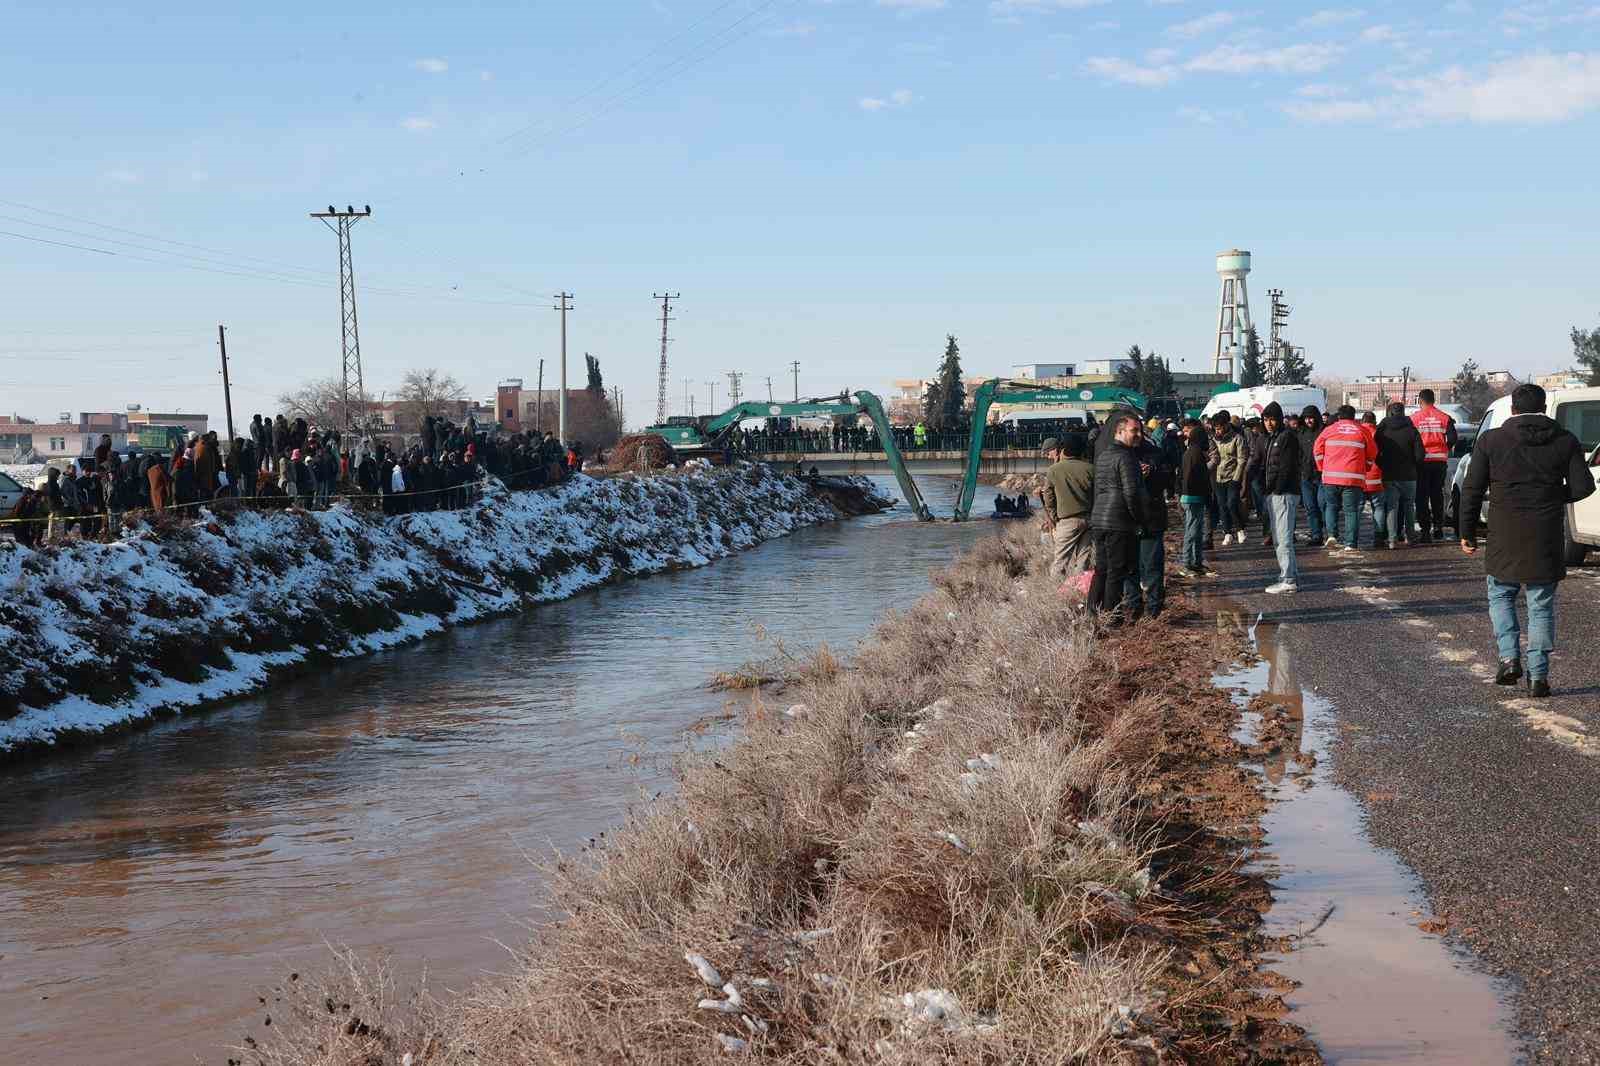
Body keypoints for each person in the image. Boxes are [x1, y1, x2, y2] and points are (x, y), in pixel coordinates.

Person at [1461, 384, 1595, 697]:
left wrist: (1467, 532)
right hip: (1546, 534)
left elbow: (1472, 490)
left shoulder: (1491, 441)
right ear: (1545, 408)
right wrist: (1550, 495)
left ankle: (1509, 658)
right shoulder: (1564, 440)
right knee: (1541, 605)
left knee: (1501, 595)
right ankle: (1538, 677)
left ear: (1513, 409)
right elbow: (1583, 486)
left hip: (1503, 534)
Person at [1088, 413, 1149, 623]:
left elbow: (1098, 489)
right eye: (1135, 431)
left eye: (1140, 430)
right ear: (1120, 431)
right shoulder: (1127, 457)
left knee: (1101, 569)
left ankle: (1092, 613)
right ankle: (1111, 618)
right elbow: (1131, 493)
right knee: (1116, 571)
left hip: (1099, 519)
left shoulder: (1104, 455)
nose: (1139, 435)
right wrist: (1139, 520)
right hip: (1118, 520)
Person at [1313, 405, 1376, 554]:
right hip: (1353, 478)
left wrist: (1323, 467)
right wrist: (1365, 467)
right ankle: (1351, 543)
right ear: (1354, 417)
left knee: (1331, 506)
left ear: (1339, 416)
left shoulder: (1329, 430)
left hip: (1330, 476)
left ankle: (1332, 535)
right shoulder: (1362, 431)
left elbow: (1317, 449)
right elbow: (1372, 452)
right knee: (1351, 511)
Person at [1127, 426, 1172, 619]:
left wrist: (1151, 472)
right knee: (1129, 566)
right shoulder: (1118, 454)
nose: (1134, 435)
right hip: (1126, 519)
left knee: (1152, 565)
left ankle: (1153, 608)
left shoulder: (1155, 453)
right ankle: (1133, 606)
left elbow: (1168, 478)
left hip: (1152, 517)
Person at [1260, 402, 1302, 594]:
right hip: (1275, 493)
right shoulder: (1272, 438)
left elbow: (1286, 467)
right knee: (1279, 537)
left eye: (1272, 419)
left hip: (1284, 493)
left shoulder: (1286, 438)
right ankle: (1288, 575)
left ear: (1279, 419)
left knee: (1283, 537)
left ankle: (1288, 578)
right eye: (1266, 419)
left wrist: (1276, 489)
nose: (1269, 423)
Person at [1040, 434, 1094, 578]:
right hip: (1089, 520)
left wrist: (1053, 516)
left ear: (1063, 450)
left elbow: (1048, 496)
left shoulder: (1054, 470)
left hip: (1067, 521)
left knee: (1060, 562)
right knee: (1083, 561)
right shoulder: (1091, 468)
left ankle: (1055, 595)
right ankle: (1078, 593)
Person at [1411, 388, 1458, 542]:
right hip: (1439, 462)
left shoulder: (1414, 419)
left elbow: (1410, 440)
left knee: (1421, 496)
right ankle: (1438, 528)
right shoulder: (1445, 418)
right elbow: (1452, 438)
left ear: (1420, 401)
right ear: (1433, 400)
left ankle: (1425, 531)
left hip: (1422, 462)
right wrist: (1444, 448)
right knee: (1437, 494)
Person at [1376, 402, 1424, 549]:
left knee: (1391, 506)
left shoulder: (1382, 431)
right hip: (1409, 475)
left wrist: (1383, 465)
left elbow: (1375, 452)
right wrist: (1412, 465)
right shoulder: (1412, 430)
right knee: (1409, 506)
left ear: (1389, 413)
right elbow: (1420, 455)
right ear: (1403, 413)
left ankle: (1392, 539)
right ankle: (1410, 536)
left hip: (1389, 474)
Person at [1179, 420, 1212, 577]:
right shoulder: (1195, 453)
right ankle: (1187, 563)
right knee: (1192, 532)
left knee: (1196, 531)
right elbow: (1192, 477)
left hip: (1192, 497)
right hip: (1193, 497)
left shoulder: (1191, 452)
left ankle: (1195, 562)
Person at [1209, 412, 1247, 546]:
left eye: (1219, 428)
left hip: (1233, 476)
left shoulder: (1237, 438)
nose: (1217, 431)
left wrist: (1237, 478)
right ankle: (1227, 533)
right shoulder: (1213, 439)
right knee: (1222, 506)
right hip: (1218, 477)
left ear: (1226, 425)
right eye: (1215, 428)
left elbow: (1242, 459)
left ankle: (1240, 529)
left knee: (1232, 503)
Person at [1296, 406, 1325, 545]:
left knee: (1322, 504)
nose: (1309, 421)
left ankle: (1328, 530)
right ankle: (1316, 535)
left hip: (1322, 475)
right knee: (1310, 506)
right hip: (1306, 475)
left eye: (1311, 418)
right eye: (1306, 418)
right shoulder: (1300, 433)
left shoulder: (1323, 432)